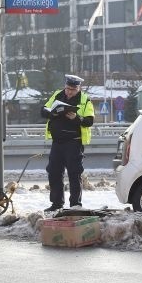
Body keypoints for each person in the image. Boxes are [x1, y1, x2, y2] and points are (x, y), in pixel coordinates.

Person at [40, 74, 95, 212]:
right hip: (57, 142)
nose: (69, 92)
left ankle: (75, 205)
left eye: (73, 89)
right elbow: (44, 110)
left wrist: (77, 118)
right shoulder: (58, 95)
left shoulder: (85, 100)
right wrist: (51, 113)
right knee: (53, 172)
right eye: (67, 88)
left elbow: (89, 121)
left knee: (74, 173)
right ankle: (57, 204)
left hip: (74, 143)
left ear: (78, 88)